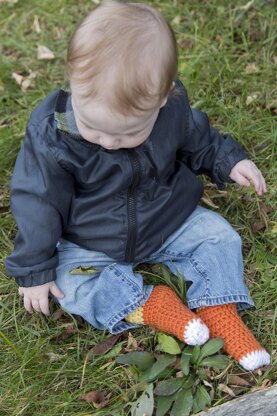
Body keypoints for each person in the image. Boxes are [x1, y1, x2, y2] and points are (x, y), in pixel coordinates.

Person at [5, 0, 270, 371]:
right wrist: (34, 268)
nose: (108, 142)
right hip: (90, 238)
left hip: (167, 216)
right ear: (72, 85)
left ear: (162, 100)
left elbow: (197, 138)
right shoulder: (53, 134)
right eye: (93, 127)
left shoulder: (171, 110)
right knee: (69, 283)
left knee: (218, 236)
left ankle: (219, 308)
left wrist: (227, 160)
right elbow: (38, 200)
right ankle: (147, 306)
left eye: (128, 133)